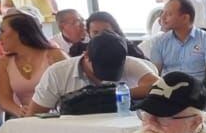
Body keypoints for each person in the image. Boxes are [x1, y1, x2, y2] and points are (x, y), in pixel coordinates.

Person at [29, 32, 159, 113]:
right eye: (102, 68)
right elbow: (34, 115)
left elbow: (159, 87)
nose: (106, 75)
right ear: (86, 56)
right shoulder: (57, 73)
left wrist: (112, 95)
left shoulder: (130, 63)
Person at [0, 12, 66, 118]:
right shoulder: (3, 63)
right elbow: (3, 98)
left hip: (58, 117)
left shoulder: (55, 55)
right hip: (26, 119)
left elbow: (72, 91)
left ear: (20, 32)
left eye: (2, 31)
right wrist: (19, 110)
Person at [150, 0, 206, 77]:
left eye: (169, 14)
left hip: (198, 87)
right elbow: (154, 73)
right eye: (162, 13)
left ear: (185, 18)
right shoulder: (160, 41)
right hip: (168, 87)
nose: (162, 18)